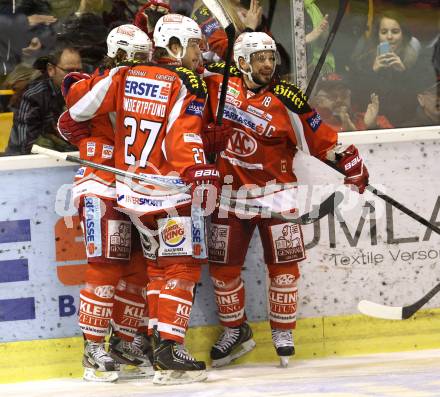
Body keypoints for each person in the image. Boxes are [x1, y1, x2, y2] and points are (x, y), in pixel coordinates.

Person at [63, 14, 218, 385]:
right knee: (173, 267)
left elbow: (72, 117)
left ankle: (134, 344)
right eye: (194, 44)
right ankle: (149, 349)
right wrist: (197, 168)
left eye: (140, 53)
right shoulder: (174, 80)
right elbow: (182, 136)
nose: (133, 59)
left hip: (129, 191)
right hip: (151, 188)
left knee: (141, 269)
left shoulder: (124, 77)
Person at [202, 32, 369, 368]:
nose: (267, 64)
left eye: (270, 58)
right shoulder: (217, 84)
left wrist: (351, 163)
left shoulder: (288, 98)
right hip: (228, 196)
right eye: (260, 58)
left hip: (277, 197)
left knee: (284, 271)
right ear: (242, 62)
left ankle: (283, 332)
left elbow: (321, 140)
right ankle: (236, 331)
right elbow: (195, 60)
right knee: (223, 270)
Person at [58, 24, 155, 382]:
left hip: (139, 186)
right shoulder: (84, 80)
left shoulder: (150, 86)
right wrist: (117, 75)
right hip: (100, 185)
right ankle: (93, 347)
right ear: (117, 54)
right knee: (106, 265)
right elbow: (73, 114)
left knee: (141, 268)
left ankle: (124, 341)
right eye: (135, 57)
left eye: (146, 57)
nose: (142, 63)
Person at [5, 45, 81, 155]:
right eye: (69, 70)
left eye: (78, 70)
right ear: (51, 70)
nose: (75, 76)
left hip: (71, 158)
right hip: (28, 162)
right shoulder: (33, 96)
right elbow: (24, 145)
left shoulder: (86, 91)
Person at [349, 10, 421, 126]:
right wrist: (372, 71)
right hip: (374, 126)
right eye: (383, 32)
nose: (389, 36)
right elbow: (358, 100)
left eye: (395, 31)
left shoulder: (415, 60)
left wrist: (403, 72)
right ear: (377, 35)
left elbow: (417, 103)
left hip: (407, 126)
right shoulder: (364, 61)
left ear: (403, 34)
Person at [309, 73, 393, 131]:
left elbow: (394, 149)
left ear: (350, 96)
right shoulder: (313, 125)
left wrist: (373, 127)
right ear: (319, 100)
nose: (339, 100)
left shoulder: (373, 120)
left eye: (343, 94)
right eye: (332, 96)